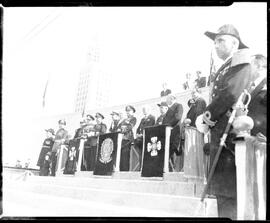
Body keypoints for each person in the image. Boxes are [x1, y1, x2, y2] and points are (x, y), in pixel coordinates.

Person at [196, 24, 253, 220]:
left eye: (221, 40)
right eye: (215, 41)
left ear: (235, 43)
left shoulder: (241, 63)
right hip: (221, 134)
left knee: (229, 193)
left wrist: (206, 118)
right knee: (223, 193)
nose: (216, 45)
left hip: (229, 137)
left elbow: (229, 93)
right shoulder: (228, 65)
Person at [247, 54, 267, 137]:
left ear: (259, 67)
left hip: (261, 138)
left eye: (250, 66)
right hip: (247, 136)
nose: (247, 70)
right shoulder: (248, 85)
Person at [162, 94, 183, 170]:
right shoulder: (169, 108)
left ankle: (172, 171)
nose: (167, 101)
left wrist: (168, 125)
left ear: (172, 99)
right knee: (168, 154)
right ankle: (169, 170)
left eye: (167, 99)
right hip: (167, 134)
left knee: (172, 152)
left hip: (174, 132)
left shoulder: (178, 106)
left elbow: (178, 117)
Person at [118, 105, 137, 171]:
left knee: (125, 156)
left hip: (128, 139)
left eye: (129, 111)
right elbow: (119, 127)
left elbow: (130, 127)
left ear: (133, 112)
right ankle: (121, 170)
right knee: (121, 156)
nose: (128, 112)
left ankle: (125, 171)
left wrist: (122, 130)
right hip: (121, 139)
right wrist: (121, 130)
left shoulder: (133, 119)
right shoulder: (124, 120)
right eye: (127, 111)